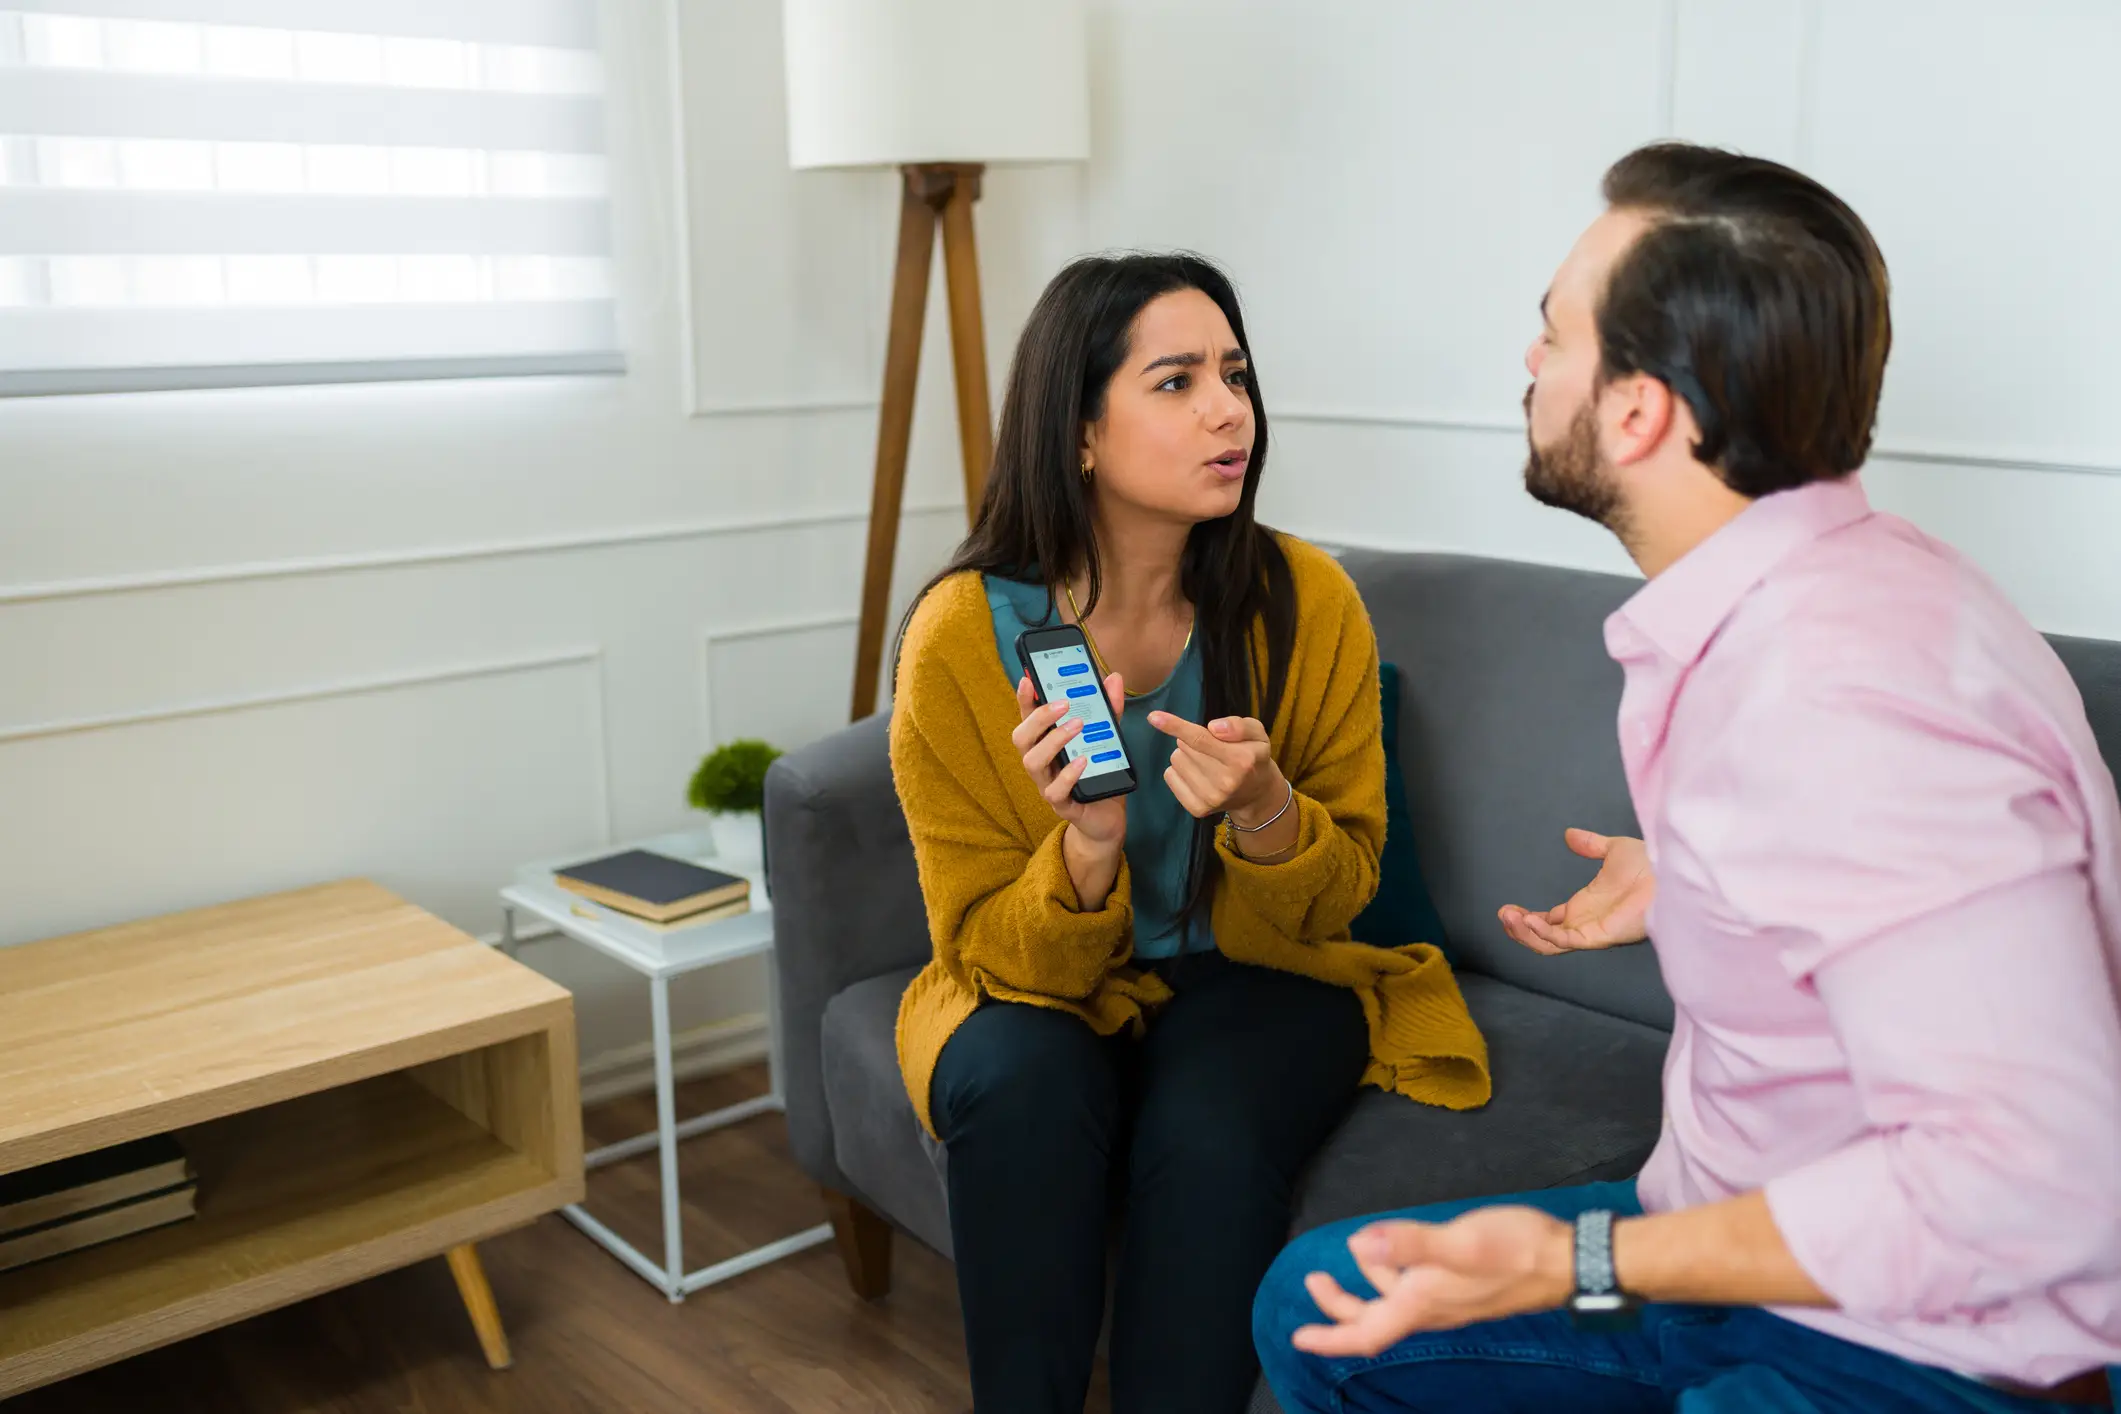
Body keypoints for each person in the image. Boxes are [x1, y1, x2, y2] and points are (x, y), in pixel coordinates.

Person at [1254, 142, 2121, 1413]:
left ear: (1639, 408)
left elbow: (2041, 1178)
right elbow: (1887, 872)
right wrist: (1698, 877)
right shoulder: (1837, 595)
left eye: (1552, 335)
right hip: (1741, 1238)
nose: (1530, 365)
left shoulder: (1848, 699)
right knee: (1321, 1301)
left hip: (1919, 1345)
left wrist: (1576, 1260)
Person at [887, 251, 1492, 1414]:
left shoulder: (1307, 601)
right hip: (1039, 985)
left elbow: (1346, 888)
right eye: (1176, 382)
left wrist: (1268, 814)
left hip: (1263, 971)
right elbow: (982, 947)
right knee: (1018, 1083)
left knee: (1212, 1131)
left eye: (1236, 374)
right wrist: (1088, 847)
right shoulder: (963, 637)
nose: (1231, 411)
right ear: (1077, 433)